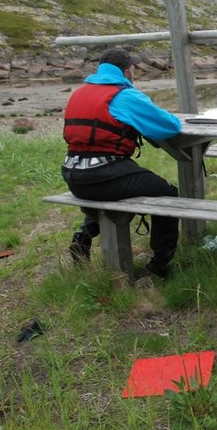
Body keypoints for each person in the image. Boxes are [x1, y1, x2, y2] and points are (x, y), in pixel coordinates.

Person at [61, 48, 182, 278]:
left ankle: (84, 235)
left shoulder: (79, 92)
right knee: (166, 193)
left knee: (118, 188)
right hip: (102, 174)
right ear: (127, 71)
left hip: (73, 174)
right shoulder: (124, 95)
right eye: (133, 68)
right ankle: (160, 264)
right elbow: (170, 126)